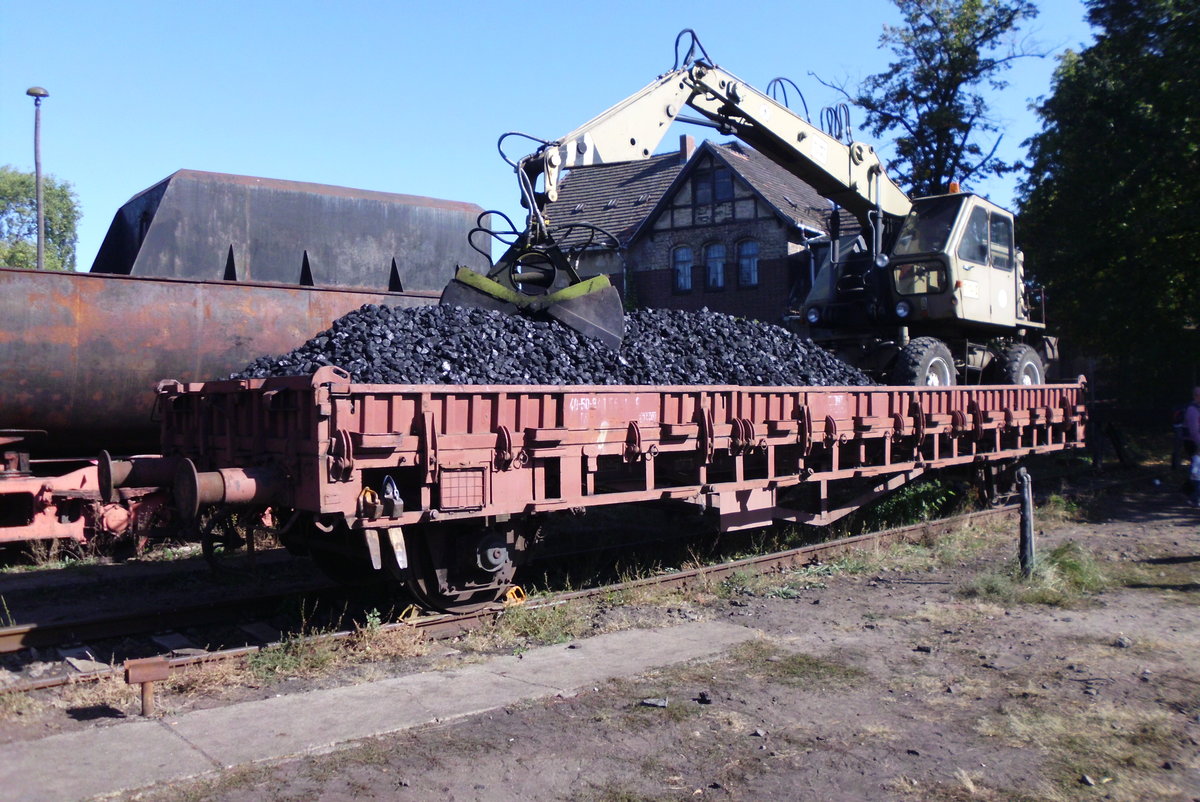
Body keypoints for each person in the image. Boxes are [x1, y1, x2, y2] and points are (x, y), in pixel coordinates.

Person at [1187, 386, 1200, 507]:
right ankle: (1194, 496)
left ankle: (1191, 494)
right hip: (1194, 443)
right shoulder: (1193, 410)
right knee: (1196, 469)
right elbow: (1194, 430)